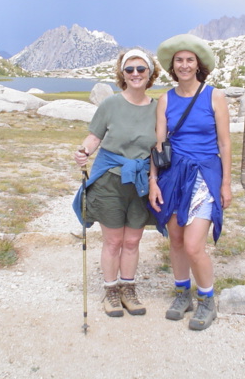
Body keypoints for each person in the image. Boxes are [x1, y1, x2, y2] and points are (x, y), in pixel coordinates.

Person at [149, 33, 232, 331]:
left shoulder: (215, 96)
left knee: (194, 245)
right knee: (176, 239)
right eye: (179, 61)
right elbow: (159, 143)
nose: (184, 65)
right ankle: (182, 293)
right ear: (173, 66)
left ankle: (207, 300)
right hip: (174, 176)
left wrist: (226, 183)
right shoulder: (165, 99)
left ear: (199, 65)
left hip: (205, 176)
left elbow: (224, 143)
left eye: (190, 60)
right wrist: (154, 181)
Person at [73, 49, 160, 318]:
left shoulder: (159, 108)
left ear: (150, 73)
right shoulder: (110, 104)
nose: (135, 74)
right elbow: (94, 138)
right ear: (122, 74)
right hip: (110, 181)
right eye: (129, 69)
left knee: (133, 240)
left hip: (140, 182)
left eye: (140, 69)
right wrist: (83, 151)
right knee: (113, 241)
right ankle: (111, 291)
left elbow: (159, 147)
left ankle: (128, 288)